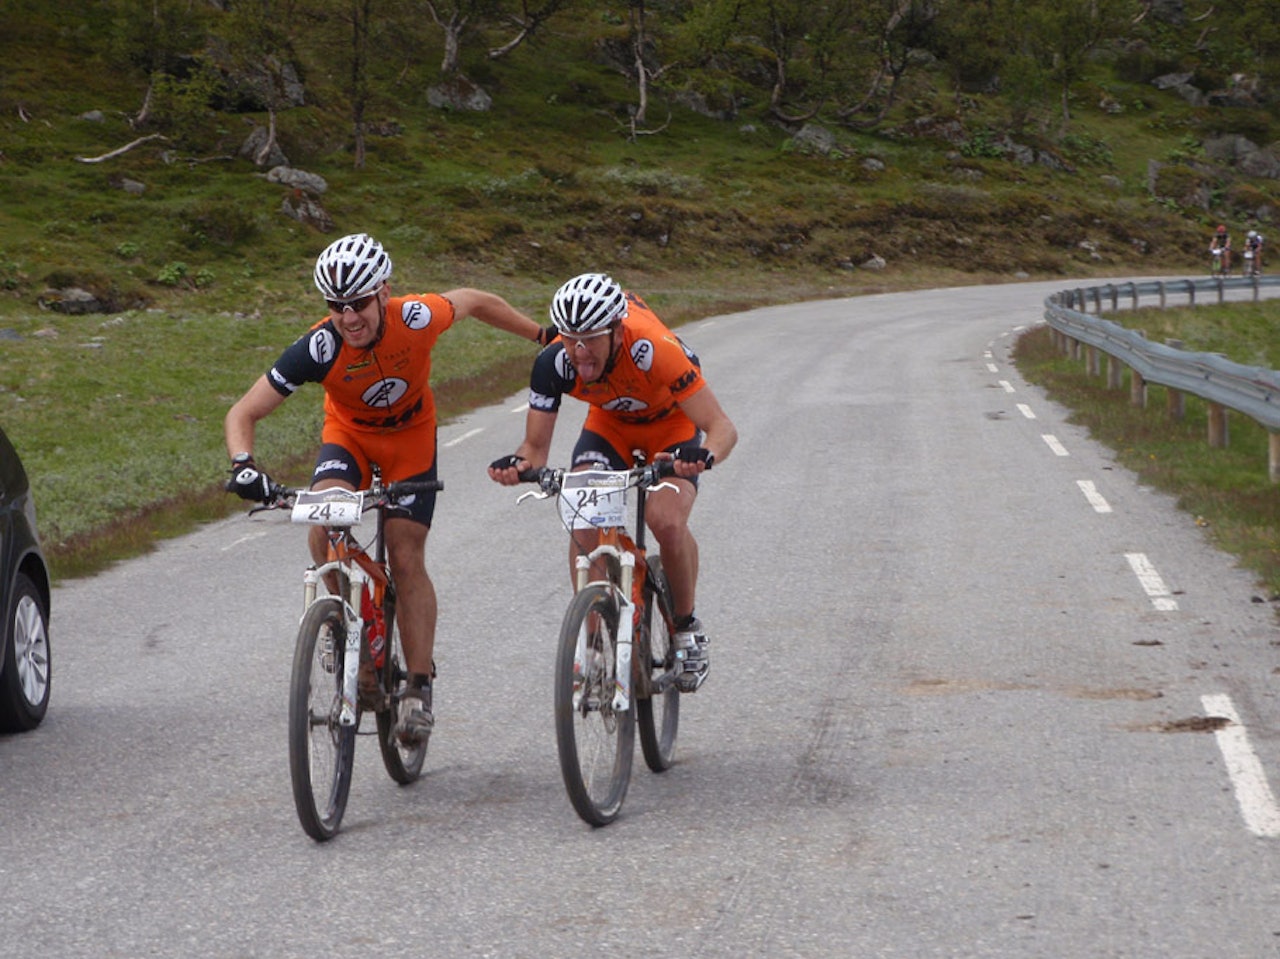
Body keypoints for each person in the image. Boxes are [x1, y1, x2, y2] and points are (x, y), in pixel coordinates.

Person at [225, 233, 552, 744]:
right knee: (322, 527)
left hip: (410, 438)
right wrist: (243, 464)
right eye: (336, 306)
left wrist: (542, 337)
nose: (348, 317)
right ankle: (352, 637)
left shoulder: (416, 317)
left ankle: (418, 688)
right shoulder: (319, 347)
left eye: (358, 303)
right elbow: (243, 411)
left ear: (384, 292)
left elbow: (478, 300)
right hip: (350, 439)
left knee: (404, 555)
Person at [487, 273, 738, 692]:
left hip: (670, 427)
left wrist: (704, 454)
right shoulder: (554, 362)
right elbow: (534, 448)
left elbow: (721, 428)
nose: (579, 351)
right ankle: (595, 645)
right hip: (610, 427)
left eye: (590, 339)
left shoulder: (654, 350)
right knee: (584, 517)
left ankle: (686, 627)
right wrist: (517, 465)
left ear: (618, 331)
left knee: (667, 522)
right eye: (570, 339)